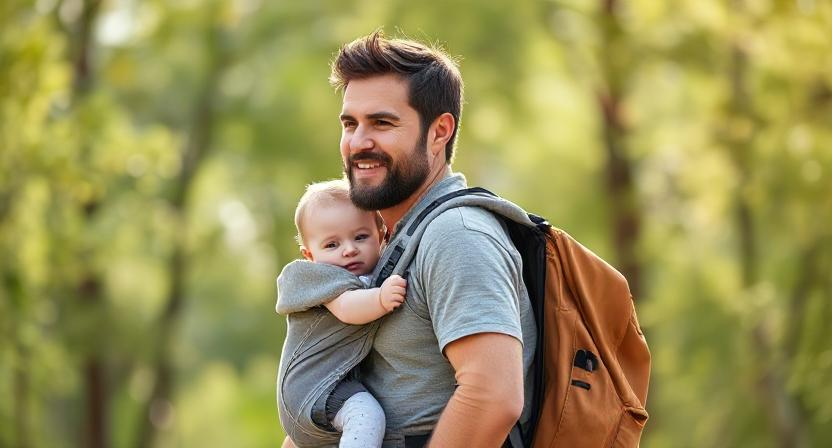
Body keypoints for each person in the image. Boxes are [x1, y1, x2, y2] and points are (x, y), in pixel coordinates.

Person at [283, 30, 536, 448]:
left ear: (439, 133)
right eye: (350, 123)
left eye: (381, 123)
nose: (358, 142)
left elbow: (492, 396)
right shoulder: (388, 243)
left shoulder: (457, 236)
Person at [276, 179, 407, 448]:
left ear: (382, 236)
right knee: (366, 415)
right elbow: (347, 308)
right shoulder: (323, 279)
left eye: (360, 237)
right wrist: (381, 298)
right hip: (313, 386)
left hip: (322, 392)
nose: (349, 249)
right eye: (332, 245)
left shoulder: (365, 272)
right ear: (310, 255)